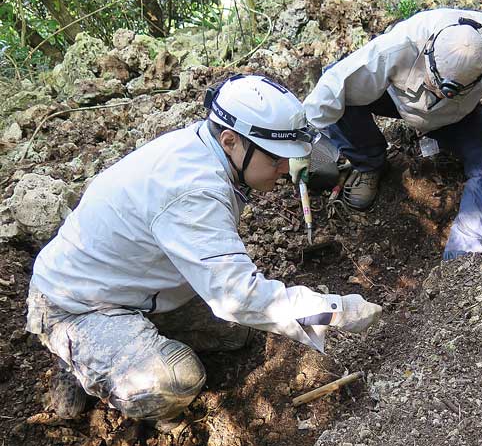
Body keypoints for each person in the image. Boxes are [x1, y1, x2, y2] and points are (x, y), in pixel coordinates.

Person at [26, 74, 382, 423]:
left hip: (130, 281)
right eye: (275, 158)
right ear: (230, 140)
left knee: (236, 332)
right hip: (76, 304)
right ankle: (75, 355)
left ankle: (133, 337)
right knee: (173, 381)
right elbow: (237, 297)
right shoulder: (192, 191)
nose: (285, 169)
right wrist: (334, 311)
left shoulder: (207, 148)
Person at [296, 8, 482, 261]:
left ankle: (462, 259)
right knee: (342, 97)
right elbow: (334, 85)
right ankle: (368, 164)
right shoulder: (402, 44)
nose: (439, 92)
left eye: (448, 91)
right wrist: (299, 145)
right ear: (429, 51)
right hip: (396, 99)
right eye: (436, 83)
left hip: (457, 117)